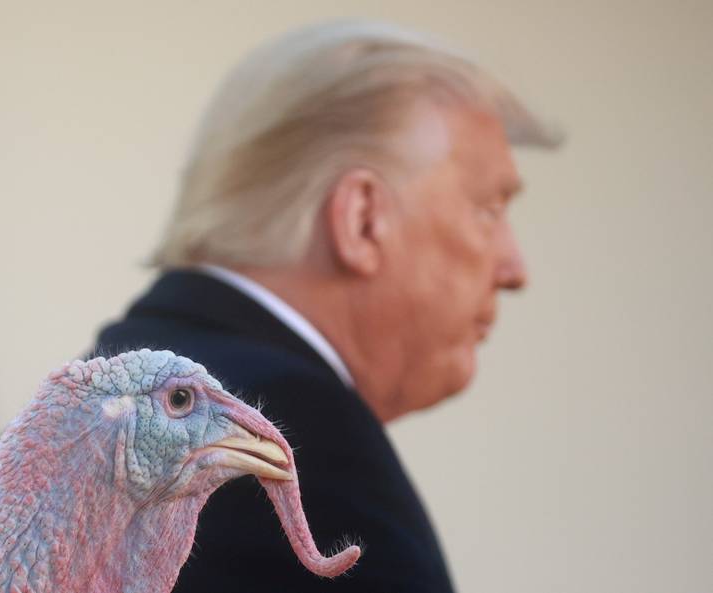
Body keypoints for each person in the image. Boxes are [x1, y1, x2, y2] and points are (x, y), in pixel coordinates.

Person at [99, 19, 560, 591]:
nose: (515, 271)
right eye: (488, 209)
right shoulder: (288, 445)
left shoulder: (99, 406)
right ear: (363, 220)